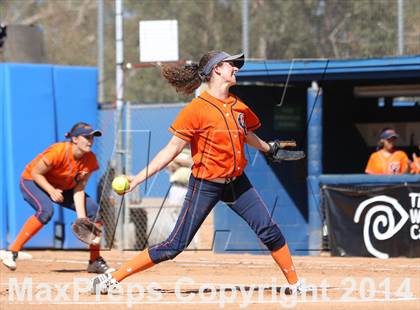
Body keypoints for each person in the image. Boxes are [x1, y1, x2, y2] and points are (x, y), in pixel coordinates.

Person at [91, 51, 304, 294]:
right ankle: (112, 279)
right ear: (216, 70)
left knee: (268, 229)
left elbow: (245, 134)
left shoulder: (239, 107)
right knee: (174, 245)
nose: (235, 68)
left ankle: (295, 284)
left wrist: (269, 149)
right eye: (230, 65)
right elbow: (171, 149)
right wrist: (138, 179)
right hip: (206, 184)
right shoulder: (196, 109)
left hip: (237, 183)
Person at [1, 122, 113, 273]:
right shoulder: (58, 152)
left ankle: (94, 261)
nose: (90, 141)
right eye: (86, 137)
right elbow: (36, 173)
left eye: (92, 138)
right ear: (74, 139)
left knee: (93, 211)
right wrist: (51, 190)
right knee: (46, 211)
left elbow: (79, 188)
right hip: (33, 181)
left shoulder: (90, 159)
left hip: (64, 187)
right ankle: (12, 251)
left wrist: (81, 218)